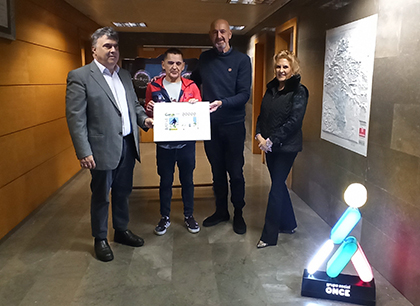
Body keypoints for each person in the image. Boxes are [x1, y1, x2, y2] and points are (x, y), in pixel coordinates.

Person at [66, 27, 154, 262]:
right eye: (107, 45)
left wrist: (144, 119)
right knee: (101, 195)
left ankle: (122, 230)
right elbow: (76, 118)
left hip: (127, 144)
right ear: (94, 49)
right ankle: (100, 238)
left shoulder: (124, 75)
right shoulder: (80, 76)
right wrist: (84, 151)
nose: (113, 50)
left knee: (124, 192)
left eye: (115, 46)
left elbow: (134, 106)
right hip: (101, 149)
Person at [191, 19, 252, 235]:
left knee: (235, 172)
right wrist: (188, 96)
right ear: (210, 35)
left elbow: (244, 94)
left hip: (234, 126)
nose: (219, 36)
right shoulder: (205, 58)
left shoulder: (242, 60)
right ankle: (221, 211)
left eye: (223, 31)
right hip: (210, 127)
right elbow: (192, 82)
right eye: (215, 32)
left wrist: (222, 103)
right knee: (217, 172)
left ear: (230, 34)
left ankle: (238, 213)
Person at [145, 48, 202, 235]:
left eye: (178, 63)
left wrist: (196, 106)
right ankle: (165, 217)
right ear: (163, 65)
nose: (174, 67)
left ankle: (189, 215)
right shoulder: (153, 86)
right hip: (164, 145)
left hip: (186, 144)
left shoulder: (191, 86)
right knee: (165, 181)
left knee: (188, 180)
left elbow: (200, 115)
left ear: (183, 66)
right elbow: (147, 114)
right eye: (170, 63)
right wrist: (150, 108)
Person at [255, 50, 309, 248]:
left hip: (286, 148)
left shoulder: (299, 91)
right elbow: (262, 115)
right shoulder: (271, 89)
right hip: (269, 147)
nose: (281, 70)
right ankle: (289, 223)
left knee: (276, 187)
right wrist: (259, 135)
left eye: (285, 67)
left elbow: (294, 121)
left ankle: (269, 236)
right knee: (278, 185)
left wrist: (271, 140)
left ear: (292, 68)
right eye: (278, 66)